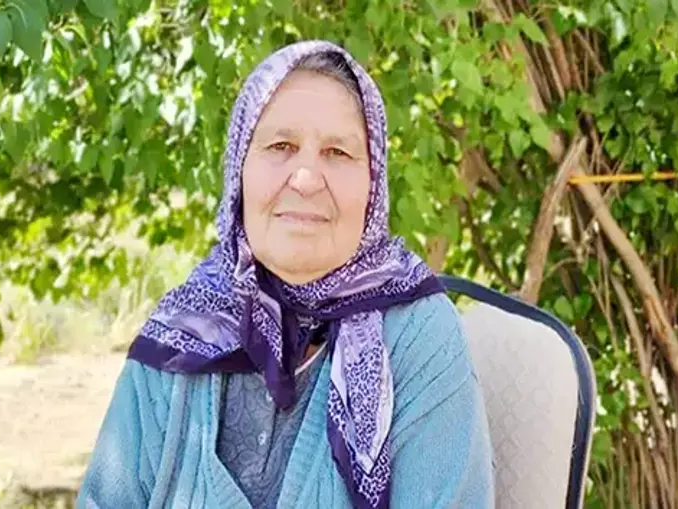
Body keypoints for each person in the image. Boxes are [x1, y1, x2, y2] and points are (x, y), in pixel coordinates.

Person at [76, 40, 494, 509]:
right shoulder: (183, 327)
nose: (306, 178)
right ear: (239, 170)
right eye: (281, 146)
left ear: (373, 184)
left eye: (338, 152)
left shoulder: (417, 334)